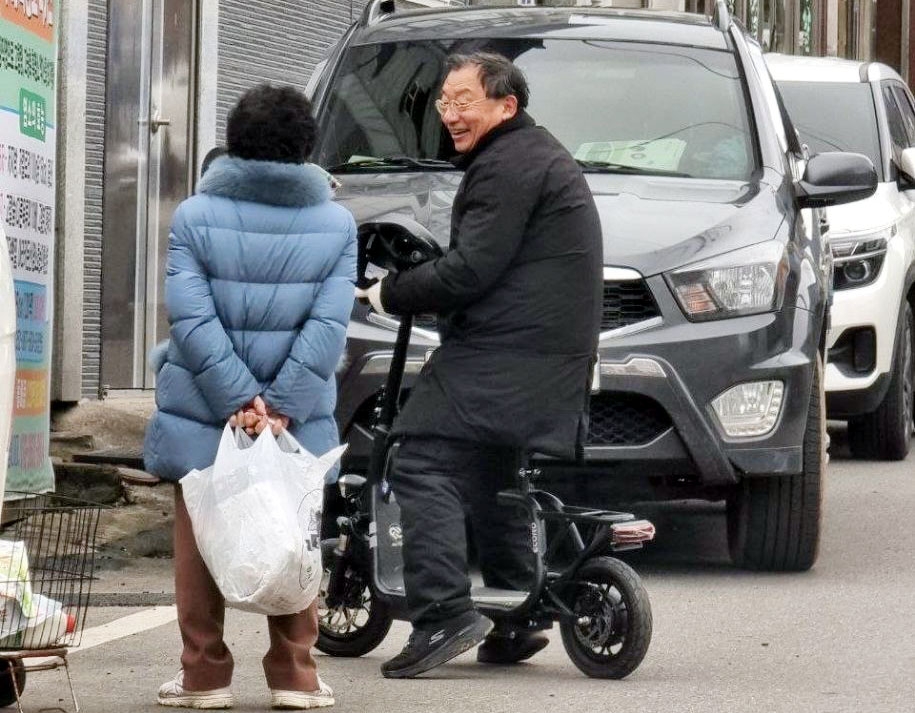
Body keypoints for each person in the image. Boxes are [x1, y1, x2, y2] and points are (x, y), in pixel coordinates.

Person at [356, 52, 603, 679]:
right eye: (444, 101)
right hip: (539, 346)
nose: (450, 114)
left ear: (505, 106)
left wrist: (393, 291)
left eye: (463, 101)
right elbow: (493, 258)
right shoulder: (529, 157)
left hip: (512, 349)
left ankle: (443, 615)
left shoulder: (507, 165)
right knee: (488, 463)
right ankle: (517, 611)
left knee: (420, 458)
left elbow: (472, 270)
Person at [144, 83, 357, 709]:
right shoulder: (336, 224)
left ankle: (204, 675)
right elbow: (328, 324)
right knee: (294, 531)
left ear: (234, 142)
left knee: (200, 534)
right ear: (306, 146)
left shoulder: (194, 216)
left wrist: (237, 396)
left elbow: (189, 315)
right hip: (295, 414)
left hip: (205, 409)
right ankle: (296, 675)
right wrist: (282, 402)